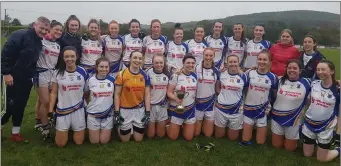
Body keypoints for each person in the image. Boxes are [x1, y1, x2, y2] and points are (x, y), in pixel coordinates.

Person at [1, 16, 50, 142]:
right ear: (35, 25)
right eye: (42, 28)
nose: (44, 31)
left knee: (20, 105)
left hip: (26, 78)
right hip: (11, 77)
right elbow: (6, 53)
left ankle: (15, 133)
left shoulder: (39, 42)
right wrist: (6, 73)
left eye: (46, 29)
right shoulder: (20, 35)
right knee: (8, 107)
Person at [49, 46, 88, 147]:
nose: (69, 59)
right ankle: (65, 130)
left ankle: (72, 130)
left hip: (78, 110)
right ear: (63, 58)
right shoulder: (57, 72)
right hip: (62, 110)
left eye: (72, 56)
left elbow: (86, 92)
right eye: (66, 56)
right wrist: (50, 111)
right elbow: (53, 93)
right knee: (60, 144)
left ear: (77, 57)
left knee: (79, 142)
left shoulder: (83, 71)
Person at [302, 59, 340, 162]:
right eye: (318, 69)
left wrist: (338, 133)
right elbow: (309, 102)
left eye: (323, 69)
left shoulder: (338, 89)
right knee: (307, 155)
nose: (319, 72)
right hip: (309, 124)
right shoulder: (314, 83)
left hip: (326, 126)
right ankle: (316, 142)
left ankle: (338, 150)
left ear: (331, 71)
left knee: (322, 159)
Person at [271, 59, 311, 152]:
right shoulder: (280, 80)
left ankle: (295, 136)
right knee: (276, 146)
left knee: (290, 149)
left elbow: (322, 84)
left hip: (294, 120)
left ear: (300, 70)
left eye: (294, 68)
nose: (291, 70)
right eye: (289, 68)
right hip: (277, 117)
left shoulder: (307, 83)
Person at [240, 49, 277, 145]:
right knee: (245, 140)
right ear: (257, 60)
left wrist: (270, 106)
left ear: (269, 62)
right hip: (248, 109)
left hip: (263, 110)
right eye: (259, 59)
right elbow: (241, 88)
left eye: (265, 60)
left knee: (260, 142)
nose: (262, 62)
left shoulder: (273, 77)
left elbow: (274, 95)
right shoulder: (249, 73)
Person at [34, 20, 63, 140]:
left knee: (46, 101)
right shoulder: (41, 40)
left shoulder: (57, 44)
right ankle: (45, 128)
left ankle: (42, 123)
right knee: (45, 102)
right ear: (50, 29)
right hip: (41, 73)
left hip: (52, 73)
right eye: (56, 29)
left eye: (61, 30)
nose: (59, 32)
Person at [114, 51, 151, 142]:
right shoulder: (121, 74)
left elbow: (147, 95)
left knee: (138, 140)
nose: (137, 60)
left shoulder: (145, 75)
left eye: (139, 58)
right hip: (125, 109)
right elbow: (117, 94)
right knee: (125, 140)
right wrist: (117, 112)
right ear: (130, 59)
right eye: (134, 57)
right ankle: (119, 126)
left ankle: (132, 127)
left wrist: (147, 112)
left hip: (139, 109)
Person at [214, 55, 248, 140]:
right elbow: (217, 86)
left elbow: (246, 91)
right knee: (219, 136)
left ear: (238, 62)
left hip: (236, 109)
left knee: (232, 138)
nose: (233, 64)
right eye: (230, 62)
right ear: (227, 63)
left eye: (235, 62)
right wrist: (220, 95)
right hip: (221, 108)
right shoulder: (221, 73)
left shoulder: (243, 76)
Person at [84, 57, 115, 144]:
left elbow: (116, 96)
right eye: (101, 67)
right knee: (94, 142)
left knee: (104, 141)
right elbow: (86, 95)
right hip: (93, 114)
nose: (104, 69)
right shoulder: (90, 80)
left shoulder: (113, 80)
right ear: (96, 67)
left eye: (106, 67)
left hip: (108, 114)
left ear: (109, 68)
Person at [167, 55, 197, 141]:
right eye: (188, 63)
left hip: (190, 109)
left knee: (189, 138)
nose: (190, 65)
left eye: (192, 63)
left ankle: (183, 125)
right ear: (183, 63)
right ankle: (170, 124)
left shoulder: (195, 76)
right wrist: (176, 99)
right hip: (177, 108)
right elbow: (169, 92)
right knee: (173, 137)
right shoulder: (176, 76)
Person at [194, 48, 220, 137]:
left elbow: (217, 89)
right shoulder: (195, 68)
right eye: (206, 55)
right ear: (203, 55)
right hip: (198, 103)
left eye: (211, 55)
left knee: (208, 134)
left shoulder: (216, 70)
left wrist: (217, 102)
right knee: (196, 133)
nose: (208, 57)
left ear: (214, 56)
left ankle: (205, 123)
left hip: (210, 103)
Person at [146, 54, 170, 138]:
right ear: (152, 63)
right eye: (156, 63)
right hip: (151, 106)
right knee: (150, 135)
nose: (159, 65)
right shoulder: (148, 73)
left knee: (160, 135)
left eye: (161, 62)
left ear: (164, 63)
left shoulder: (168, 74)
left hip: (162, 106)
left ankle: (167, 124)